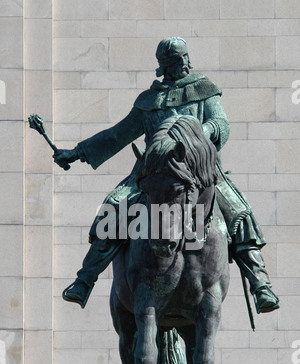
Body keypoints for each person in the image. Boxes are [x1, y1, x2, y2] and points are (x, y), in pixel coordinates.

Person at [54, 37, 280, 314]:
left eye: (184, 58)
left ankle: (260, 283)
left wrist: (195, 135)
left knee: (239, 211)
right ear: (163, 65)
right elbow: (117, 135)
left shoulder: (204, 90)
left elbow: (220, 124)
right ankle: (85, 279)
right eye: (175, 61)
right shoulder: (150, 100)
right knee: (113, 208)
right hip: (152, 173)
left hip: (200, 171)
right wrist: (77, 153)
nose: (182, 64)